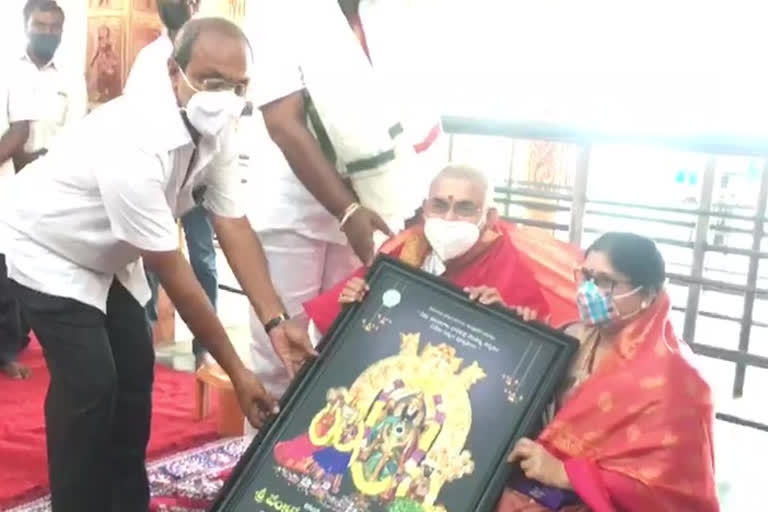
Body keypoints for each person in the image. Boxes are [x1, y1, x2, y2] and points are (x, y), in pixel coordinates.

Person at [0, 18, 315, 512]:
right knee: (90, 383)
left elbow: (232, 225)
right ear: (175, 71)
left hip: (111, 253)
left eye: (238, 86)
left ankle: (125, 501)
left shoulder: (222, 126)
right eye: (211, 81)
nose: (225, 96)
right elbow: (175, 275)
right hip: (47, 244)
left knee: (134, 373)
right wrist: (236, 369)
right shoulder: (135, 140)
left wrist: (277, 323)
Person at [245, 0, 444, 399]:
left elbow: (410, 109)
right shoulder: (277, 9)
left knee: (355, 349)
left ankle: (330, 456)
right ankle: (265, 458)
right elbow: (284, 124)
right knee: (283, 355)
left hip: (374, 205)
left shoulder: (383, 12)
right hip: (295, 211)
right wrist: (347, 209)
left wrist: (412, 202)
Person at [492, 233, 719, 511]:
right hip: (535, 489)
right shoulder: (574, 336)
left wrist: (567, 475)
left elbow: (668, 491)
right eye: (585, 276)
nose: (587, 290)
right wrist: (505, 325)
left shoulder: (676, 383)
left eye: (604, 281)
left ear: (646, 295)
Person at [304, 164, 552, 360]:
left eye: (464, 208)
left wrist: (501, 318)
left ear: (489, 217)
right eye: (440, 205)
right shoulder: (406, 249)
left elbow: (528, 354)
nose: (449, 218)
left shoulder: (504, 263)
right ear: (425, 209)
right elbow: (334, 321)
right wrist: (353, 305)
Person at [125, 0, 215, 368]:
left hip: (200, 175)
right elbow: (133, 113)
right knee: (151, 259)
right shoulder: (149, 58)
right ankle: (143, 337)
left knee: (203, 260)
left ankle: (205, 346)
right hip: (157, 176)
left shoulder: (211, 46)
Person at [0, 0, 87, 379]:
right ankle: (7, 348)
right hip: (8, 182)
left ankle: (40, 340)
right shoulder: (7, 68)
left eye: (54, 27)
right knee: (6, 270)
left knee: (47, 269)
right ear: (25, 26)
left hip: (54, 183)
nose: (47, 33)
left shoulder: (70, 77)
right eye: (40, 25)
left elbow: (77, 131)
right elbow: (15, 133)